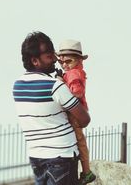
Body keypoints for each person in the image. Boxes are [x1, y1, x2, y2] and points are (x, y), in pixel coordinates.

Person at [13, 31, 91, 185]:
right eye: (49, 56)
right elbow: (84, 119)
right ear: (35, 61)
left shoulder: (18, 86)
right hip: (62, 157)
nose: (56, 60)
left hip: (36, 157)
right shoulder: (55, 86)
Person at [55, 39, 96, 184]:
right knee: (79, 141)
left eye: (68, 61)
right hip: (76, 112)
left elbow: (77, 93)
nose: (64, 64)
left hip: (75, 114)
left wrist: (60, 83)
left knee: (79, 141)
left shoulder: (73, 74)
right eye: (62, 62)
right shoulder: (76, 72)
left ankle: (87, 172)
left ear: (79, 60)